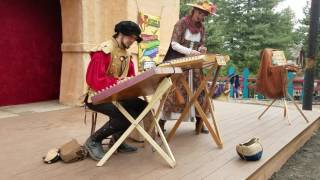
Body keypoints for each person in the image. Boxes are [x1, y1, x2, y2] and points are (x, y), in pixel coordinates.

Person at [84, 21, 147, 161]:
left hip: (118, 95)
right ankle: (93, 141)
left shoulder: (127, 54)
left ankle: (118, 140)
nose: (133, 41)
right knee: (126, 116)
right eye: (131, 37)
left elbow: (130, 78)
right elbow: (93, 79)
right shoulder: (103, 51)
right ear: (121, 34)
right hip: (97, 97)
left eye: (135, 39)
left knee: (143, 107)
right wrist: (119, 82)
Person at [159, 0, 217, 134]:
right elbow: (174, 44)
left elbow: (200, 44)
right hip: (179, 63)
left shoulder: (202, 28)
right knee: (173, 94)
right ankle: (162, 123)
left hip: (195, 66)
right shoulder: (182, 23)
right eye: (200, 13)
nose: (201, 16)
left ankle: (199, 123)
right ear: (194, 11)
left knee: (201, 94)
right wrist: (190, 52)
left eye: (204, 15)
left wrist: (202, 49)